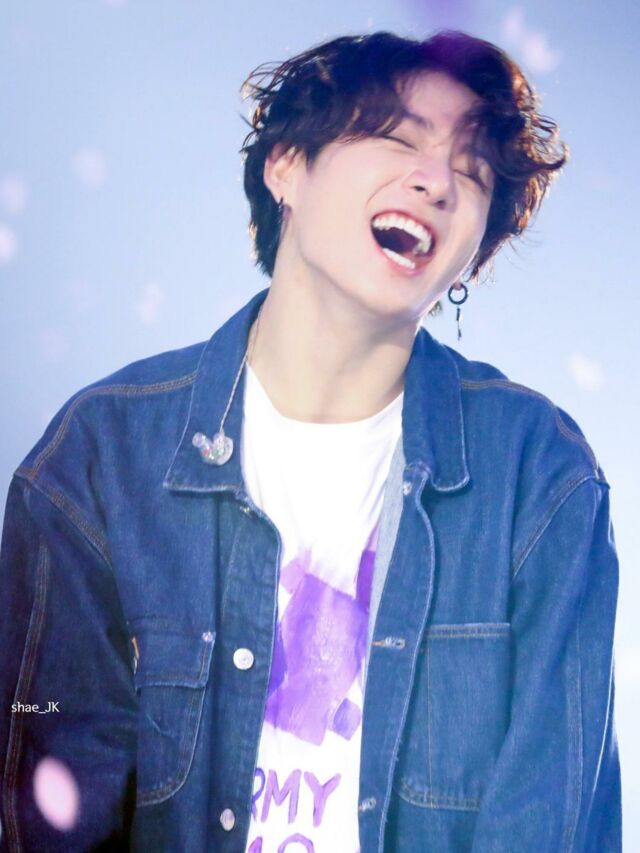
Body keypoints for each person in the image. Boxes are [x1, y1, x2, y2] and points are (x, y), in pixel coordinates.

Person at [0, 28, 621, 853]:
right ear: (286, 165)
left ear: (474, 254)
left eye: (472, 172)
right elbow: (53, 809)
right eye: (398, 138)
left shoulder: (538, 473)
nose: (437, 181)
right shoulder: (100, 457)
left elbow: (553, 821)